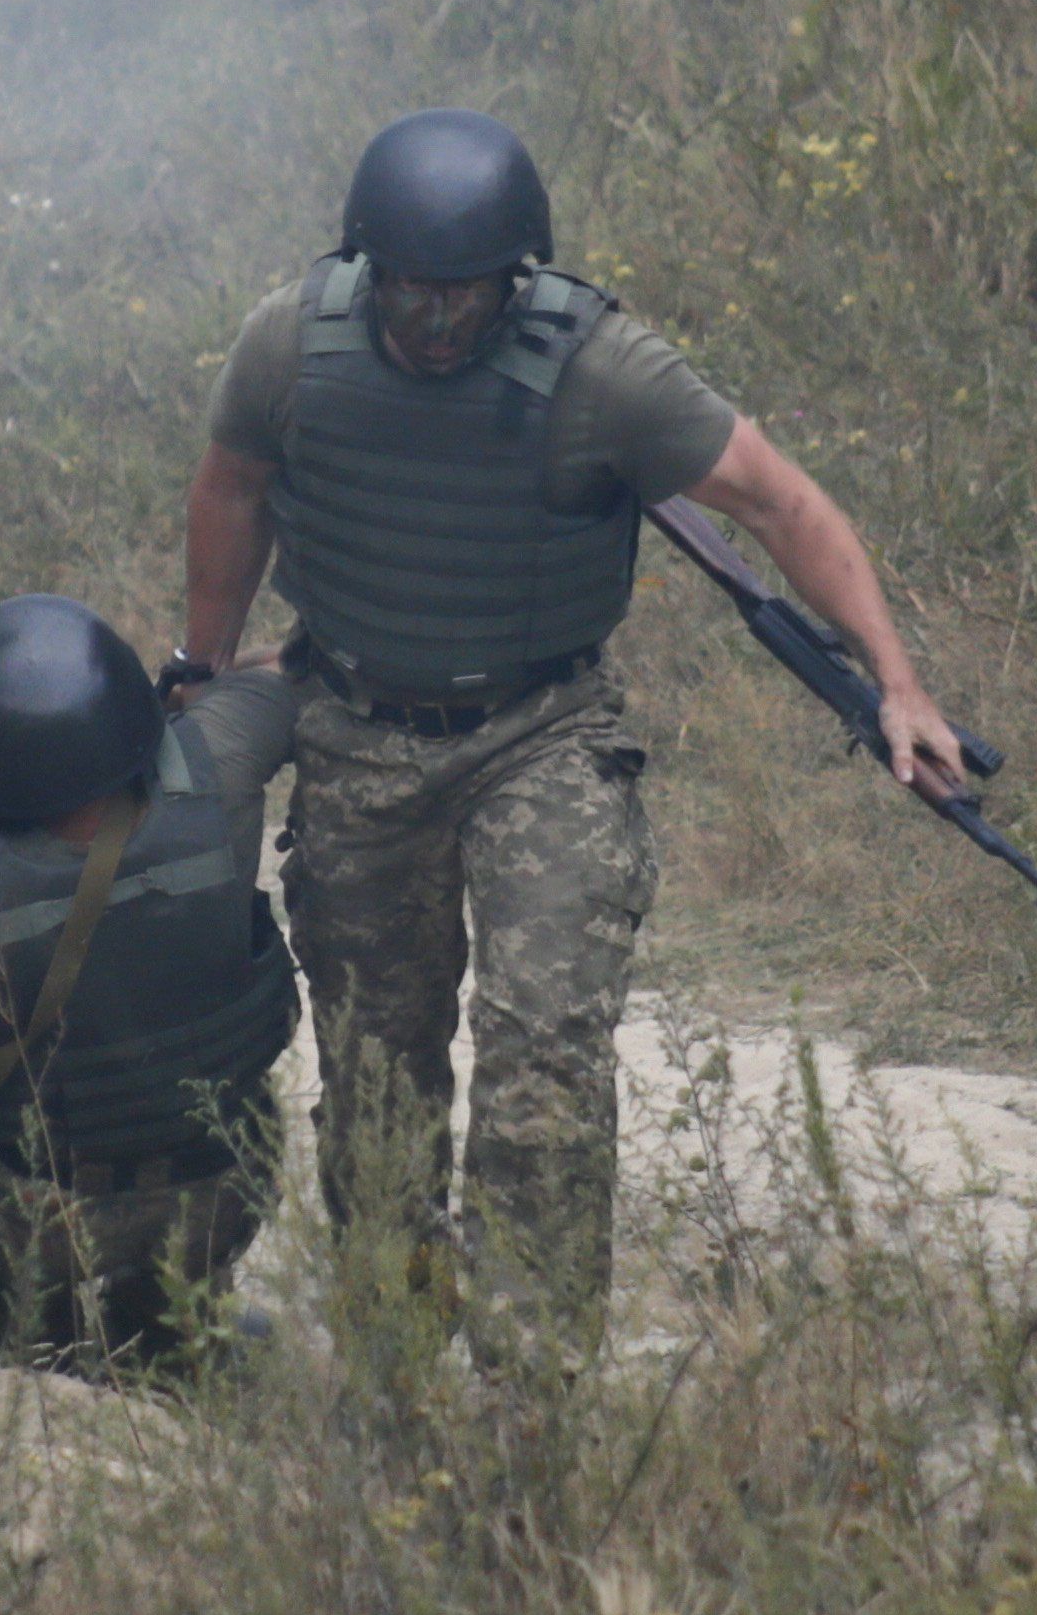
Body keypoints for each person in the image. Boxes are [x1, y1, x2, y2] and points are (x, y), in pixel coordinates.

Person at [170, 108, 964, 1382]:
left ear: (516, 278)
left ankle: (534, 1378)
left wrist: (899, 682)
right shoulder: (293, 343)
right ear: (370, 265)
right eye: (412, 292)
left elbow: (781, 500)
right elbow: (232, 487)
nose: (435, 322)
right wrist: (203, 666)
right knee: (378, 1083)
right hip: (360, 735)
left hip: (539, 734)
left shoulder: (602, 371)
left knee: (543, 1056)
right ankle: (391, 1353)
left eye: (465, 295)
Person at [0, 595, 300, 1371]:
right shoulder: (223, 758)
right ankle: (175, 1315)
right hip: (215, 1184)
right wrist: (192, 685)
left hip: (29, 1210)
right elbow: (289, 671)